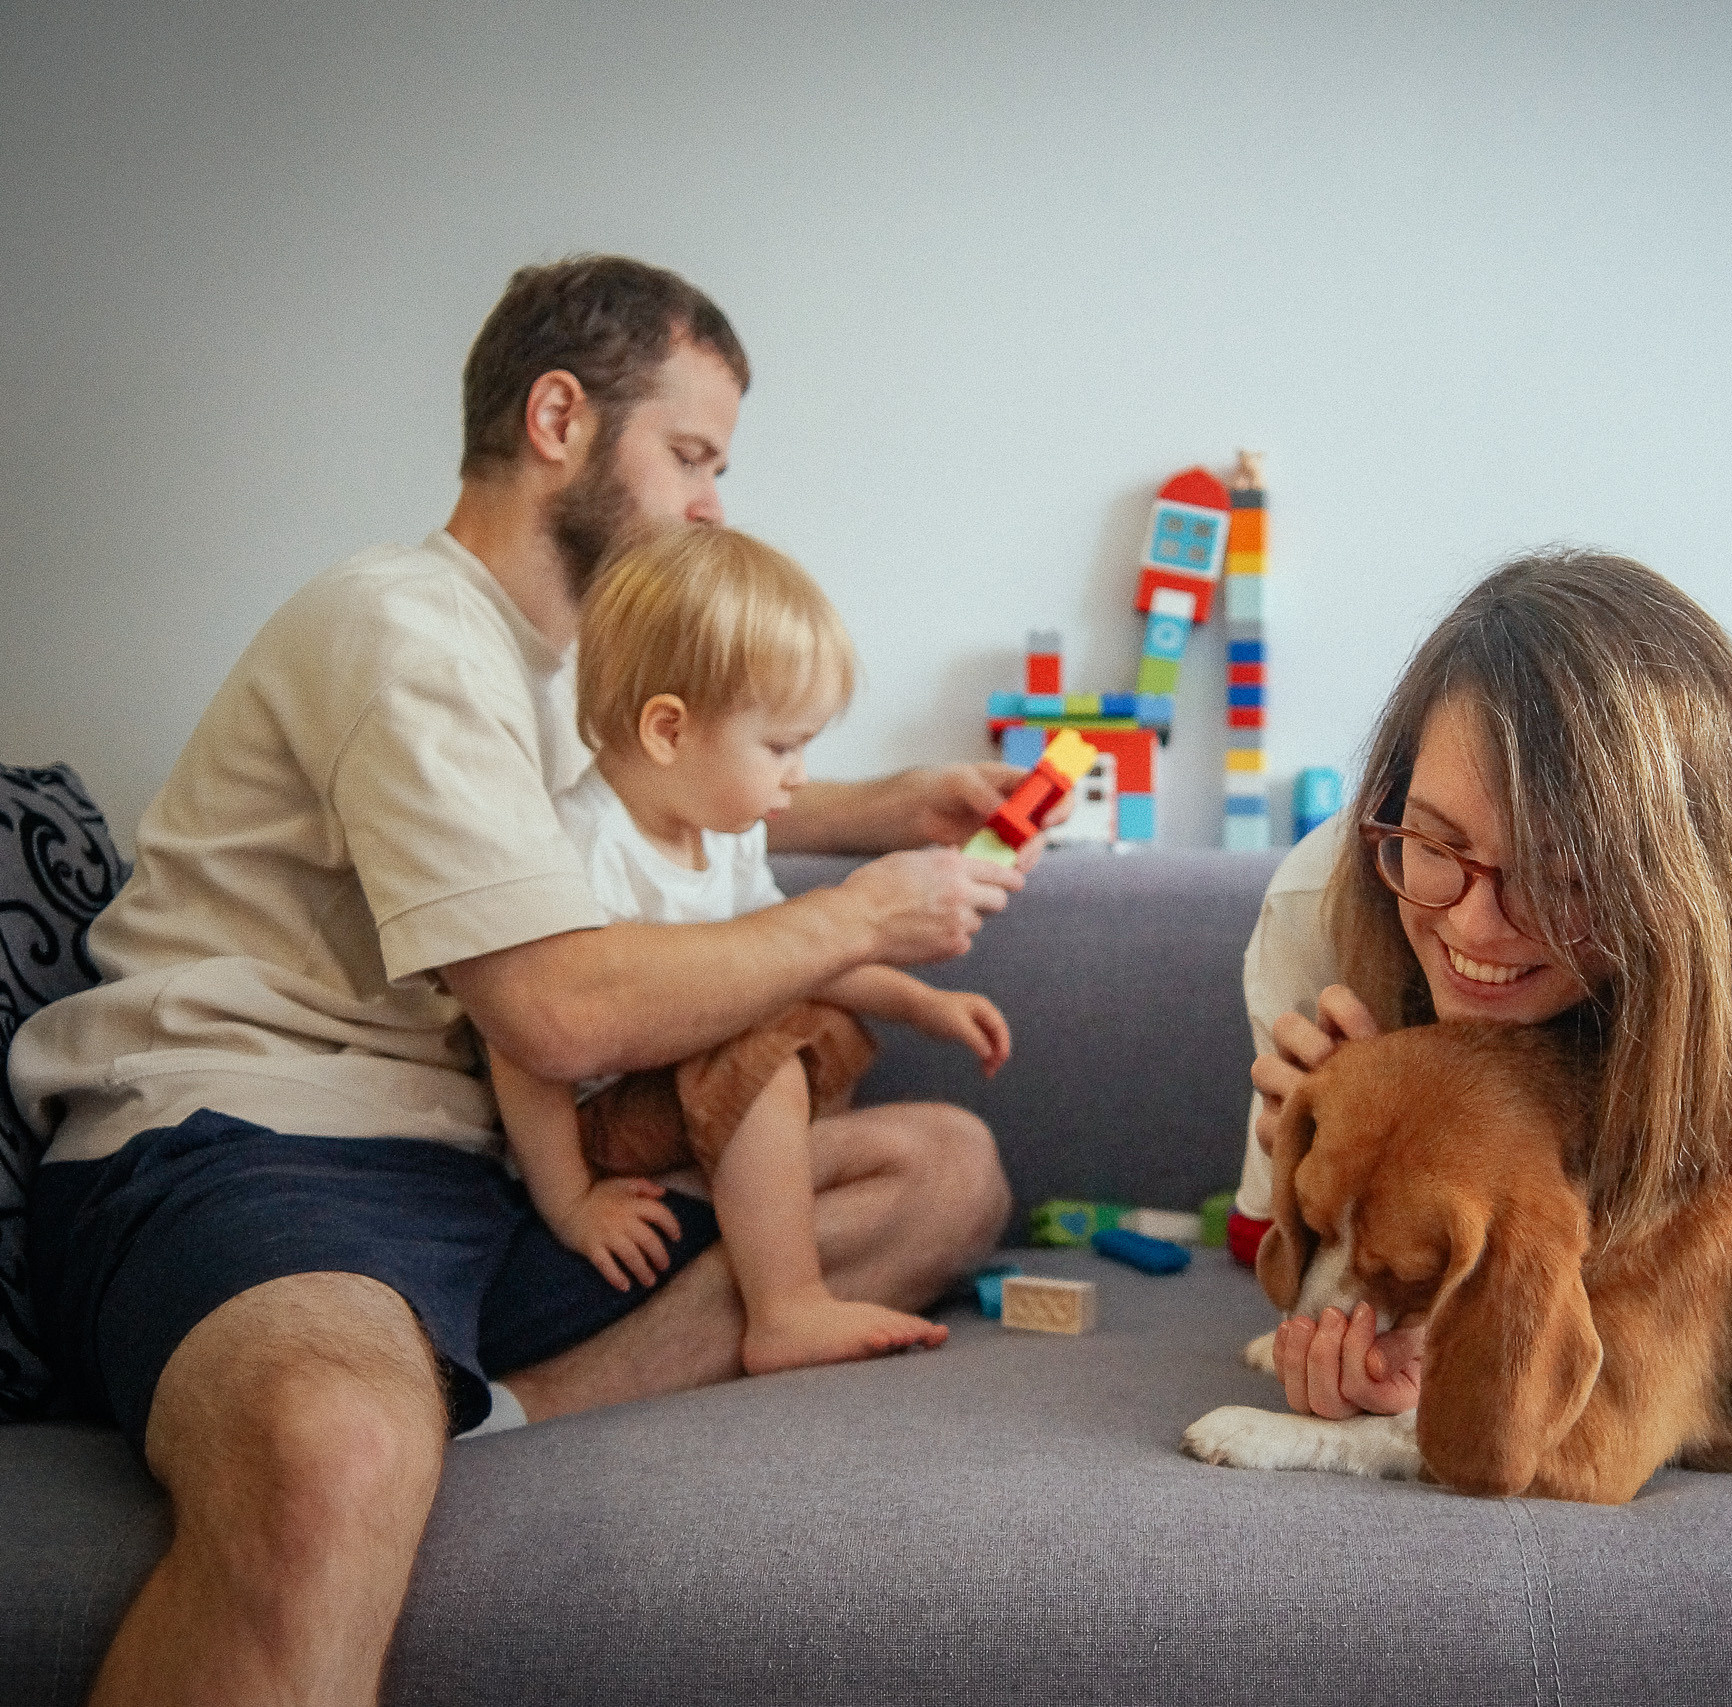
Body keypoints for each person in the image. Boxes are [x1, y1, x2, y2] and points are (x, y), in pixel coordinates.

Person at [9, 255, 1032, 1705]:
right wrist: (863, 914)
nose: (710, 503)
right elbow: (558, 1005)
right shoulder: (403, 631)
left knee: (941, 1168)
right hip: (255, 1145)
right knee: (336, 1447)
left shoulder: (565, 673)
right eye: (689, 455)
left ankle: (500, 1409)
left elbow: (658, 789)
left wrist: (886, 802)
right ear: (559, 417)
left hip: (486, 1171)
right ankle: (400, 1423)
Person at [1234, 549, 1732, 1421]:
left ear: (1669, 891)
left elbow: (1684, 1293)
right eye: (1436, 841)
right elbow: (1275, 1248)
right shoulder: (1320, 906)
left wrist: (1469, 1359)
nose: (1474, 926)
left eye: (1567, 878)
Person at [487, 524, 1015, 1379]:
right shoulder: (585, 843)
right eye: (781, 747)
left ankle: (759, 1206)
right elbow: (524, 1046)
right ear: (668, 730)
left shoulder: (721, 831)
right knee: (757, 1040)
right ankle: (785, 1305)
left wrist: (927, 1003)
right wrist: (573, 1202)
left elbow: (816, 954)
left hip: (670, 1105)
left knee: (809, 1003)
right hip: (595, 1123)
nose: (800, 776)